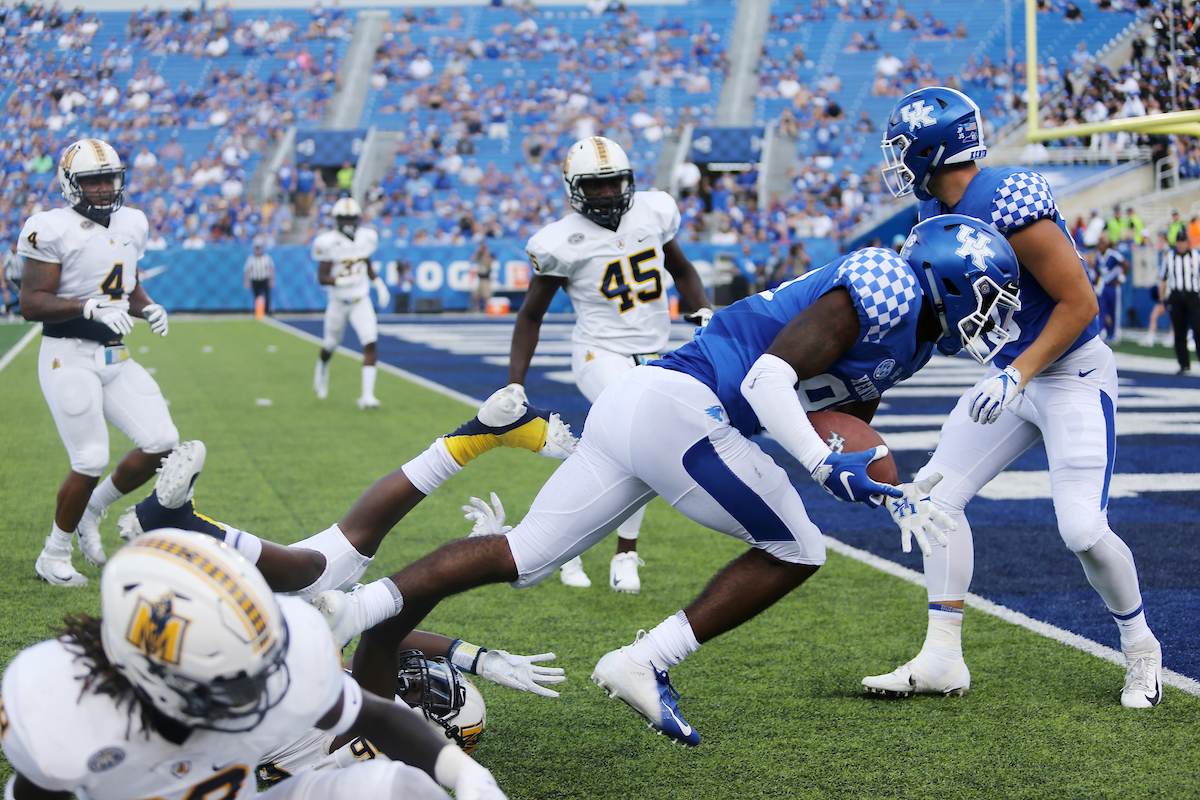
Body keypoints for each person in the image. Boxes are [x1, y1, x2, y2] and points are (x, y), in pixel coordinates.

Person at [321, 213, 1023, 747]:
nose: (993, 314)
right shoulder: (888, 286)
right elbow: (769, 377)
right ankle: (643, 658)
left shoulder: (918, 337)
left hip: (642, 402)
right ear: (946, 276)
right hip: (684, 409)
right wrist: (817, 462)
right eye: (988, 295)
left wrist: (862, 480)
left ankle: (363, 608)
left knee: (523, 555)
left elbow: (840, 418)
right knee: (800, 550)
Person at [867, 85, 1163, 709]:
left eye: (901, 147)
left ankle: (1141, 650)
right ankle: (942, 657)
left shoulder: (1007, 200)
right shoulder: (929, 216)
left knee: (1081, 528)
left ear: (933, 149)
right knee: (934, 499)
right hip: (1013, 375)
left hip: (1069, 371)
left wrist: (1017, 373)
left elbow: (1080, 303)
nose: (895, 161)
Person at [0, 528, 510, 800]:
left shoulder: (279, 656)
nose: (262, 691)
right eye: (233, 682)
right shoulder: (58, 708)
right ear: (148, 671)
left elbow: (373, 715)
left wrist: (464, 776)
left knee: (402, 790)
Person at [505, 136, 714, 594]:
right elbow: (530, 315)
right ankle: (623, 554)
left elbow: (683, 271)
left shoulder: (654, 212)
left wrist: (703, 311)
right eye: (594, 187)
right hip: (600, 352)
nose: (606, 194)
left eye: (613, 183)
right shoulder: (561, 241)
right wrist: (514, 385)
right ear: (574, 188)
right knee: (638, 435)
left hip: (655, 355)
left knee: (616, 450)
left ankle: (573, 545)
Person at [16, 138, 177, 588]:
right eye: (93, 180)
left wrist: (148, 307)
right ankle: (54, 554)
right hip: (68, 353)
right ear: (71, 185)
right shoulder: (48, 228)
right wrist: (87, 307)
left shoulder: (132, 222)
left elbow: (128, 281)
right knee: (89, 457)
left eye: (110, 178)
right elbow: (30, 302)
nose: (105, 188)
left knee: (162, 440)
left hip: (114, 353)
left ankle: (93, 507)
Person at [312, 197, 390, 409]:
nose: (347, 221)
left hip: (360, 299)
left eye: (350, 217)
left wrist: (378, 282)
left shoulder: (367, 237)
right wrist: (341, 281)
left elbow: (365, 260)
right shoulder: (327, 241)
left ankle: (367, 396)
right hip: (338, 301)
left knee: (370, 341)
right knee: (330, 344)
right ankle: (322, 366)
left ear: (357, 219)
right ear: (336, 220)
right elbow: (322, 276)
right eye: (343, 218)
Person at [1159, 233, 1200, 374]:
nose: (1181, 245)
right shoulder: (1169, 257)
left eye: (1184, 242)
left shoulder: (1196, 256)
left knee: (1198, 329)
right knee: (1179, 331)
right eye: (1179, 242)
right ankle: (1184, 364)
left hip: (1193, 296)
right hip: (1176, 296)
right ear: (1176, 243)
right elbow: (1163, 279)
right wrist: (1161, 300)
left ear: (1188, 242)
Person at [1093, 234, 1128, 343]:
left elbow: (1126, 265)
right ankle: (1102, 332)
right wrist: (1096, 284)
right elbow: (1098, 271)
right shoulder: (1098, 256)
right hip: (1104, 287)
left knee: (1114, 310)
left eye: (1102, 243)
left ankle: (1115, 333)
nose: (1100, 246)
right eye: (1099, 243)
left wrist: (1121, 279)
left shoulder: (1113, 255)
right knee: (1102, 310)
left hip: (1114, 287)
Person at [244, 240, 276, 315]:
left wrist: (272, 279)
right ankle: (258, 311)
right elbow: (247, 270)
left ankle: (268, 311)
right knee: (256, 296)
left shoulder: (266, 257)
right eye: (256, 249)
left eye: (259, 249)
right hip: (255, 279)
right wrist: (246, 281)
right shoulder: (251, 258)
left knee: (267, 296)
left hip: (264, 279)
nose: (258, 251)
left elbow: (271, 269)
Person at [470, 240, 494, 313]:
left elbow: (490, 263)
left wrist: (485, 254)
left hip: (486, 277)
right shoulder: (479, 254)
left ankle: (487, 308)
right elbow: (472, 259)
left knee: (486, 295)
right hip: (478, 277)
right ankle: (476, 308)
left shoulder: (488, 254)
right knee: (476, 294)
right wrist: (479, 252)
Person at [2, 239, 20, 317]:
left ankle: (8, 308)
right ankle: (7, 308)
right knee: (20, 294)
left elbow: (20, 267)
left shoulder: (17, 255)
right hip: (10, 279)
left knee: (22, 294)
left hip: (17, 279)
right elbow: (3, 267)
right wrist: (2, 280)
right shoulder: (8, 255)